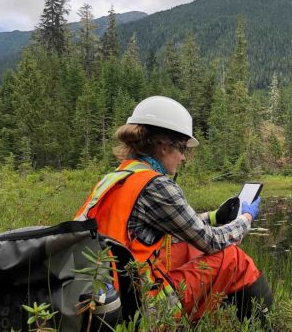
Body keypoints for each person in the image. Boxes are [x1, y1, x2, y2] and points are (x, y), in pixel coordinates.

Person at [74, 96, 273, 324]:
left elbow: (174, 228)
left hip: (106, 297)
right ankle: (264, 325)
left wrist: (213, 217)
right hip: (139, 311)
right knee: (232, 258)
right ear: (164, 145)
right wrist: (246, 219)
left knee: (189, 248)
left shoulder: (118, 177)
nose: (183, 157)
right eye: (181, 147)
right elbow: (211, 242)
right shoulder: (156, 185)